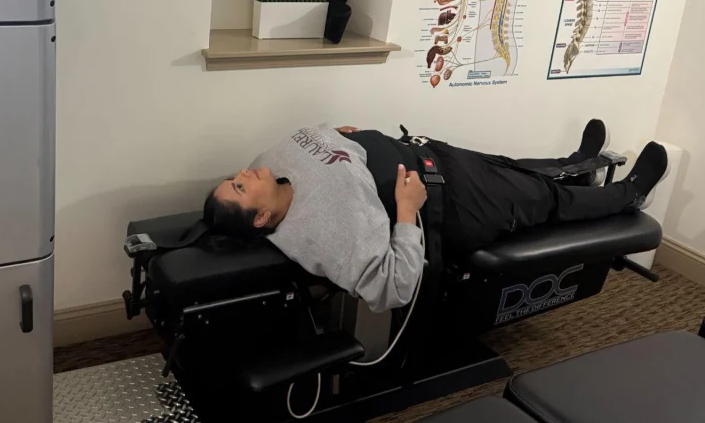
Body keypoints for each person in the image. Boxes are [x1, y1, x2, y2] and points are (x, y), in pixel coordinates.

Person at [202, 120, 668, 313]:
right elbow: (393, 287)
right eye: (241, 187)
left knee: (511, 166)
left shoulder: (271, 164)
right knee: (543, 201)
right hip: (453, 205)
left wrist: (346, 135)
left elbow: (330, 152)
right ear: (262, 218)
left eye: (234, 177)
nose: (244, 172)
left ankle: (574, 165)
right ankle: (629, 194)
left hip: (431, 158)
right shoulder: (318, 230)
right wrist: (406, 212)